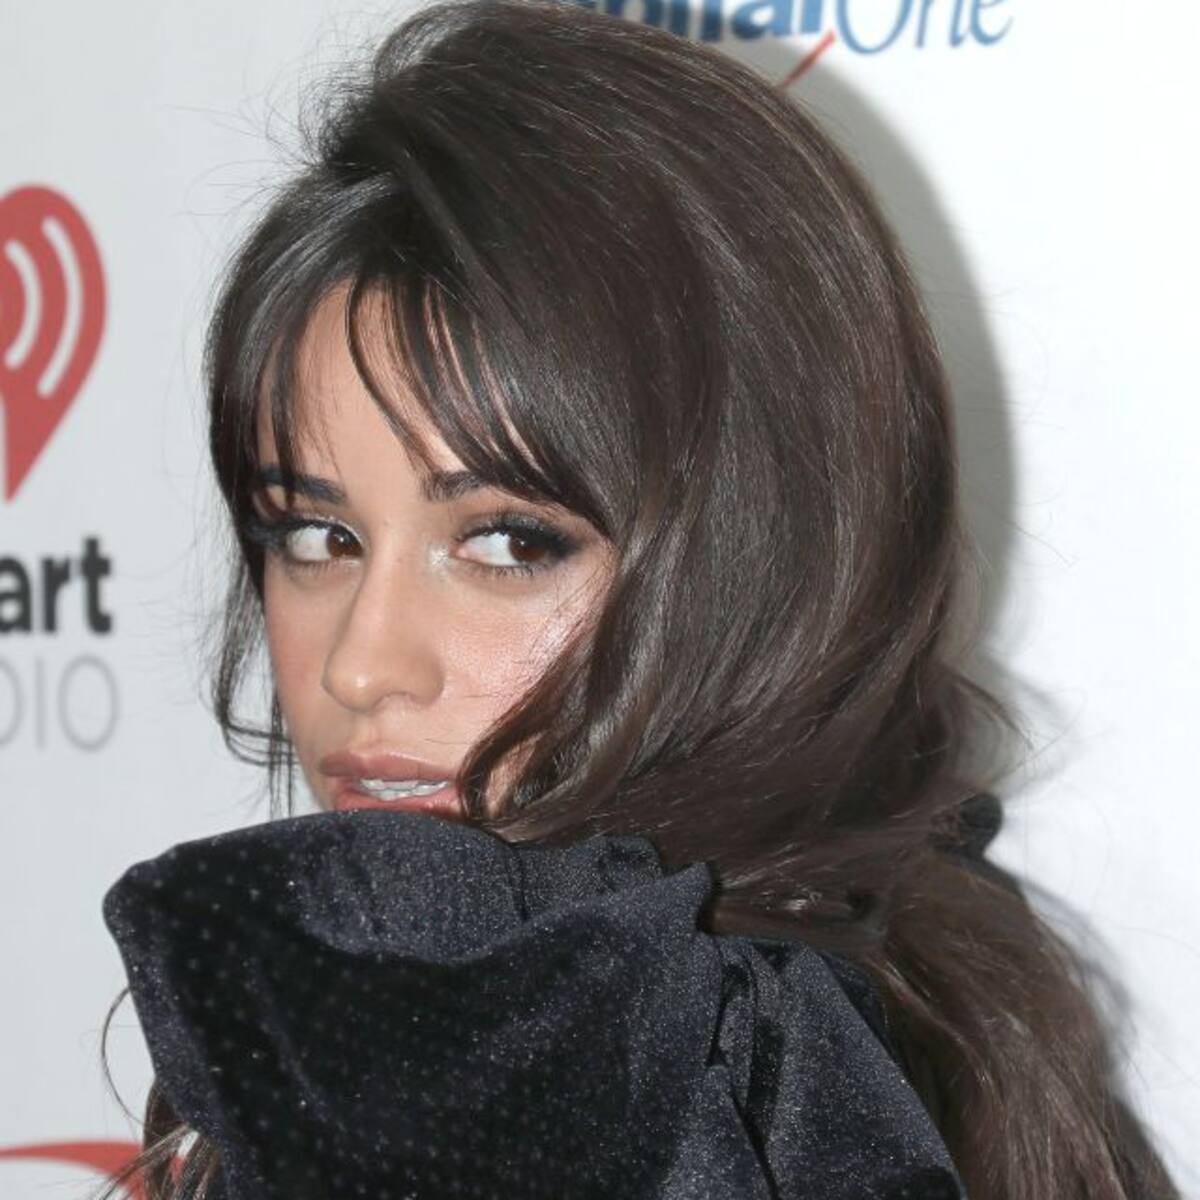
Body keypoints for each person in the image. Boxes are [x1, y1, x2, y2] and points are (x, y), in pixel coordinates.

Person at [94, 0, 1179, 1197]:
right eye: (317, 534)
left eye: (509, 541)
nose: (362, 664)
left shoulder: (710, 1097)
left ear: (760, 566)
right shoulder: (909, 1000)